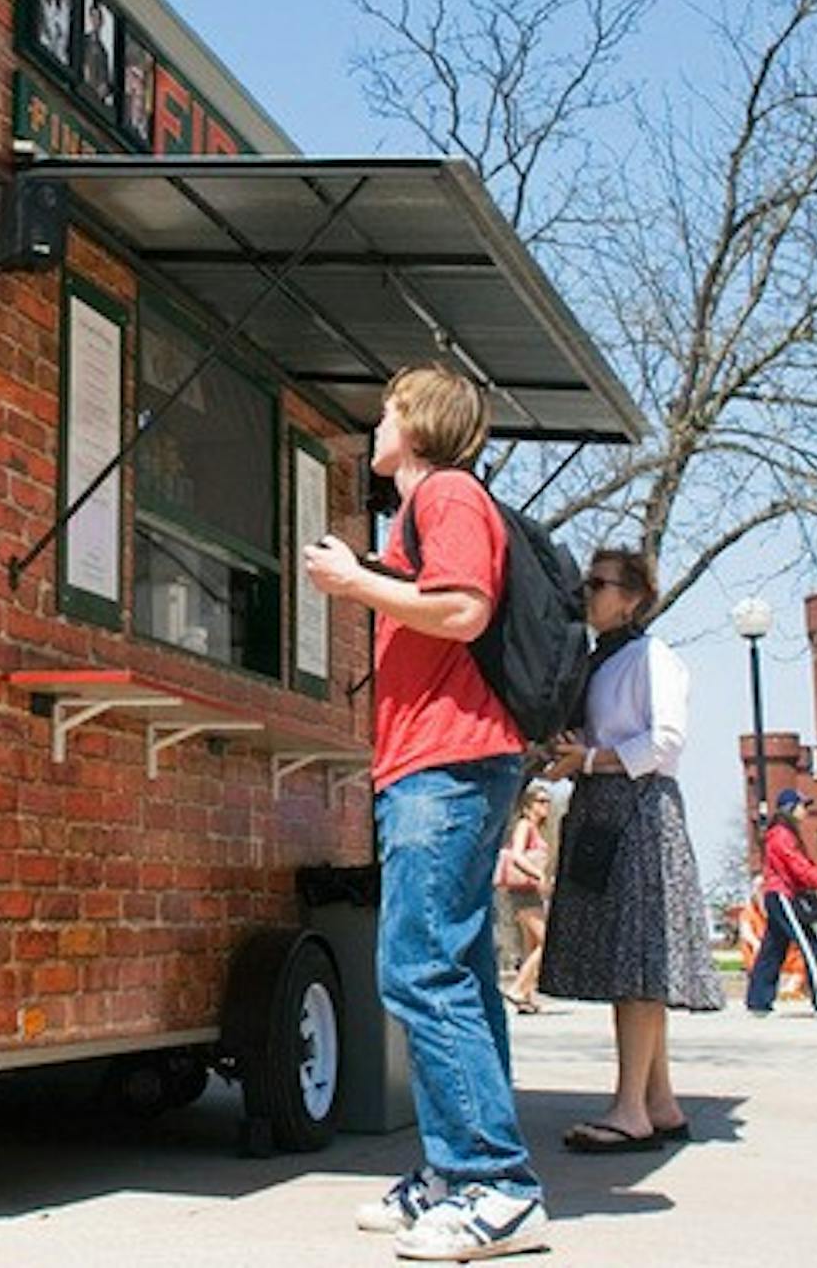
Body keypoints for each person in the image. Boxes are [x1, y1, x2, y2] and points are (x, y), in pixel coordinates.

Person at [303, 363, 545, 1259]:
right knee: (462, 975)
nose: (376, 425)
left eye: (388, 411)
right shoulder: (427, 509)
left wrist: (354, 584)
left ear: (420, 424)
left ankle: (496, 1184)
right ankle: (455, 1174)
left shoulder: (446, 494)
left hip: (448, 765)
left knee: (418, 971)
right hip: (441, 766)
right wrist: (372, 573)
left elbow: (465, 609)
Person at [539, 547, 723, 1153]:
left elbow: (665, 743)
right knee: (633, 960)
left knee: (637, 964)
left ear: (634, 597)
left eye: (600, 583)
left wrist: (588, 758)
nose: (588, 592)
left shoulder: (652, 656)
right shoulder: (602, 660)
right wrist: (577, 755)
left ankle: (629, 1110)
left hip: (640, 812)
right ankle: (658, 1101)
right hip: (604, 808)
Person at [744, 789, 817, 1017]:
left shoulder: (783, 835)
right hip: (783, 895)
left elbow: (805, 866)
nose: (805, 810)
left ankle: (758, 1001)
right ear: (790, 809)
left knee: (773, 949)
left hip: (780, 895)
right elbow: (798, 868)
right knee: (811, 948)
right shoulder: (782, 836)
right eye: (802, 806)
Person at [495, 781, 554, 1014]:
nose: (546, 805)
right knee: (547, 942)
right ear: (528, 805)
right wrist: (538, 873)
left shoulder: (537, 829)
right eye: (541, 801)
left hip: (531, 891)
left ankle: (526, 997)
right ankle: (518, 989)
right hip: (523, 891)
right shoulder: (524, 826)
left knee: (532, 944)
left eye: (548, 801)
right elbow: (517, 856)